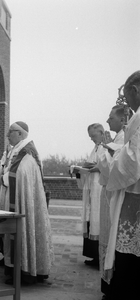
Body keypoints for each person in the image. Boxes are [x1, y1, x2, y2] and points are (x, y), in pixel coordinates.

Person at [0, 121, 54, 284]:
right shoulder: (15, 151)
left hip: (21, 202)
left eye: (10, 132)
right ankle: (13, 266)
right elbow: (8, 173)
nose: (7, 135)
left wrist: (3, 176)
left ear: (20, 134)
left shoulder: (26, 153)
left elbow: (18, 175)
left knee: (22, 231)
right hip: (12, 197)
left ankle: (23, 271)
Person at [105, 71, 140, 300]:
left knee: (129, 263)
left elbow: (133, 162)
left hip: (134, 197)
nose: (128, 104)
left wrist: (113, 157)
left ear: (135, 91)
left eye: (128, 97)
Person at [96, 106, 127, 299]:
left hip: (117, 195)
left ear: (123, 120)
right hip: (110, 193)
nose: (108, 121)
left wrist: (105, 148)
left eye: (111, 118)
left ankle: (112, 287)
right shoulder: (117, 139)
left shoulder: (123, 139)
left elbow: (110, 169)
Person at [80, 123, 105, 268]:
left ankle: (99, 258)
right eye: (90, 137)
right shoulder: (95, 147)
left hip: (99, 189)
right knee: (91, 220)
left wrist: (90, 167)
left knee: (98, 221)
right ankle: (94, 256)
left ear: (101, 132)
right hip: (91, 188)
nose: (91, 139)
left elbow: (106, 165)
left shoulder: (107, 147)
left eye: (93, 136)